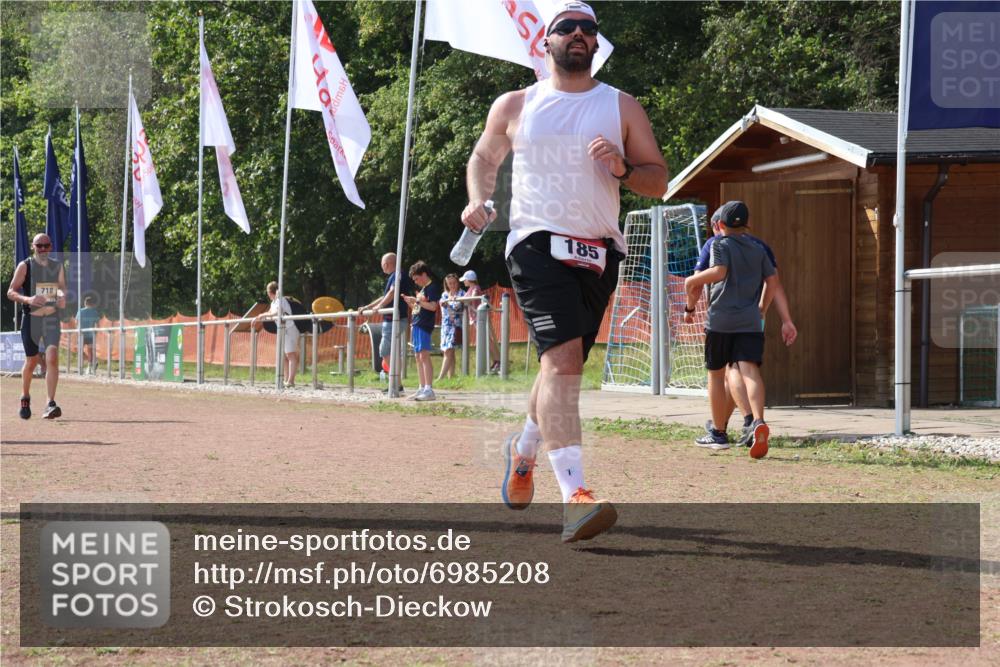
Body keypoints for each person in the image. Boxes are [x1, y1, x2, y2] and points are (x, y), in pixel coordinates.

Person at [461, 0, 668, 542]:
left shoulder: (622, 107)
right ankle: (575, 495)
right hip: (535, 242)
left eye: (588, 29)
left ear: (596, 44)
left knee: (561, 363)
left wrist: (622, 168)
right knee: (565, 360)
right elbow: (483, 159)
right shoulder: (516, 103)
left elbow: (658, 180)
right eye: (566, 27)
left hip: (601, 249)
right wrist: (478, 200)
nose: (578, 34)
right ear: (545, 42)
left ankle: (524, 449)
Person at [683, 201, 793, 459]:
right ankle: (757, 421)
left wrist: (691, 285)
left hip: (721, 321)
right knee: (749, 370)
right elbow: (773, 281)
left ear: (719, 225)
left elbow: (719, 272)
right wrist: (761, 309)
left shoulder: (719, 244)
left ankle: (718, 433)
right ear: (746, 225)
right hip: (750, 321)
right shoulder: (758, 248)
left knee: (716, 374)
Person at [7, 233, 67, 419]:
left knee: (52, 358)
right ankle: (25, 397)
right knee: (32, 361)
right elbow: (11, 291)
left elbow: (63, 289)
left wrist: (62, 297)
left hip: (51, 319)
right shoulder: (25, 266)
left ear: (50, 247)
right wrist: (28, 299)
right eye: (38, 245)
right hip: (31, 319)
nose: (42, 249)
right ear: (33, 246)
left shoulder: (57, 266)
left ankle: (50, 403)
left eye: (46, 245)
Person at [360, 252, 414, 392]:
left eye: (382, 264)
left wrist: (379, 307)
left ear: (386, 264)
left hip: (393, 320)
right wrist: (369, 307)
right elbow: (385, 296)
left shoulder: (397, 275)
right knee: (393, 352)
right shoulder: (396, 275)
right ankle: (397, 383)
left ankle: (395, 382)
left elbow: (391, 293)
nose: (382, 267)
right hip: (395, 319)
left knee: (384, 350)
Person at [402, 261, 441, 401]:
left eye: (417, 278)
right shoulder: (424, 289)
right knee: (418, 357)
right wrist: (412, 303)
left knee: (424, 356)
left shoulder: (432, 288)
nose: (416, 282)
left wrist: (417, 301)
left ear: (424, 274)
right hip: (417, 324)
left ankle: (429, 389)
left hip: (424, 325)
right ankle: (422, 387)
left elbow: (433, 306)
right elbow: (420, 308)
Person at [253, 281, 299, 387]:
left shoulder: (279, 300)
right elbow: (270, 313)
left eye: (268, 292)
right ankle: (286, 380)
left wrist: (262, 315)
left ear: (270, 292)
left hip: (289, 329)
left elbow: (276, 313)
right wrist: (260, 316)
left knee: (290, 354)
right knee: (284, 356)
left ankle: (291, 381)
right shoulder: (274, 302)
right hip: (283, 330)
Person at [459, 270, 501, 373]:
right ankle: (496, 361)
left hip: (479, 318)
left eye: (465, 280)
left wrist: (464, 299)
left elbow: (472, 297)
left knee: (487, 339)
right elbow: (465, 298)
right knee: (486, 340)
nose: (464, 282)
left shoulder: (475, 288)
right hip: (475, 318)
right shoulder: (470, 289)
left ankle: (498, 361)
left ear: (469, 280)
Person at [437, 273, 464, 380]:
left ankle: (441, 377)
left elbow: (457, 307)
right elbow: (444, 308)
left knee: (449, 350)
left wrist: (449, 303)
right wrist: (449, 302)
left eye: (454, 283)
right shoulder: (444, 295)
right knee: (448, 351)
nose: (452, 285)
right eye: (449, 283)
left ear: (458, 283)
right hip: (446, 326)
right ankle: (450, 377)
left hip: (456, 325)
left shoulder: (462, 293)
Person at [77, 294, 100, 374]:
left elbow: (77, 322)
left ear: (85, 303)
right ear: (92, 304)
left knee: (79, 350)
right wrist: (95, 333)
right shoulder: (95, 312)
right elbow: (98, 324)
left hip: (82, 334)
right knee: (90, 351)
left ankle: (89, 364)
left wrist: (78, 331)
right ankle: (90, 365)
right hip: (91, 335)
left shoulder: (80, 311)